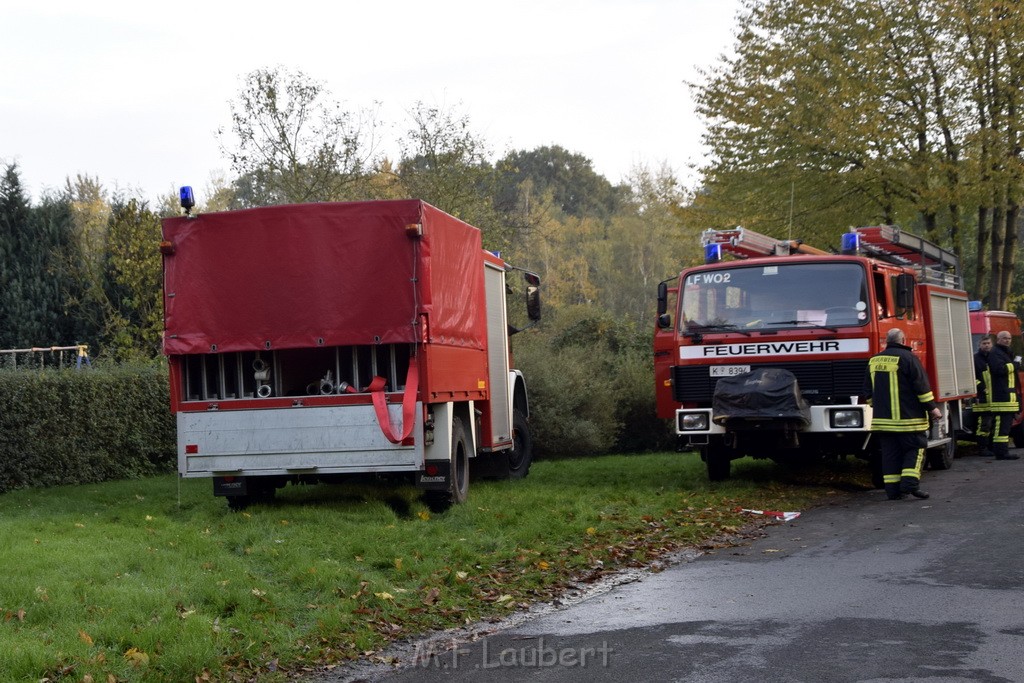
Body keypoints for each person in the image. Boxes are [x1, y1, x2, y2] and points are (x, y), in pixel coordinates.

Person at [864, 328, 942, 500]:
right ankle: (910, 485)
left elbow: (868, 393)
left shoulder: (874, 360)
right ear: (903, 340)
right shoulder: (909, 358)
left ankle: (893, 492)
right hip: (909, 420)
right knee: (915, 449)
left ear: (887, 341)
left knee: (890, 455)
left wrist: (880, 408)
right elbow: (921, 388)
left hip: (883, 423)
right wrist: (932, 408)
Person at [981, 331, 1021, 460]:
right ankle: (1001, 452)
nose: (1007, 340)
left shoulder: (1005, 352)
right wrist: (1014, 365)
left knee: (1004, 428)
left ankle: (1002, 451)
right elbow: (998, 369)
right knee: (1001, 428)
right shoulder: (995, 353)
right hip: (1001, 398)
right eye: (1004, 338)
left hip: (1007, 398)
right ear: (998, 339)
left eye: (1009, 338)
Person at [973, 335, 995, 456]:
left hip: (995, 399)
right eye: (984, 343)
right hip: (982, 398)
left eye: (988, 343)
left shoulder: (994, 358)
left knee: (993, 425)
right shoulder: (975, 359)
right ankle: (982, 448)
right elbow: (973, 378)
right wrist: (981, 388)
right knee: (984, 424)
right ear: (980, 345)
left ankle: (991, 447)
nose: (986, 345)